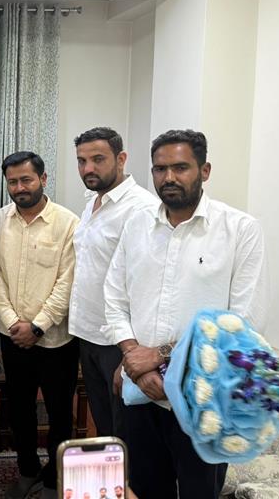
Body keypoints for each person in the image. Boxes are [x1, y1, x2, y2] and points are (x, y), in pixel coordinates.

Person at [104, 129, 268, 499]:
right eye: (160, 169)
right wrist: (134, 358)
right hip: (141, 393)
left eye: (181, 168)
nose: (169, 177)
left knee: (199, 492)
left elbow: (243, 324)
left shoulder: (240, 230)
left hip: (204, 400)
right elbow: (114, 297)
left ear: (204, 171)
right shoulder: (137, 225)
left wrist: (160, 358)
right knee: (146, 488)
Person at [0, 151, 80, 499]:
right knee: (20, 409)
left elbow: (68, 282)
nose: (19, 187)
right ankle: (27, 470)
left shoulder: (68, 223)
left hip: (57, 340)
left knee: (59, 413)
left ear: (43, 179)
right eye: (12, 182)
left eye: (26, 180)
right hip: (12, 336)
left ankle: (55, 480)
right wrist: (13, 322)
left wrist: (38, 326)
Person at [69, 128, 157, 438]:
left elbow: (148, 285)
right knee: (105, 426)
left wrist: (129, 355)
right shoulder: (92, 202)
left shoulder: (140, 208)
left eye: (98, 159)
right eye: (81, 161)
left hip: (118, 343)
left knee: (127, 432)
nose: (88, 168)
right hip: (90, 334)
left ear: (121, 159)